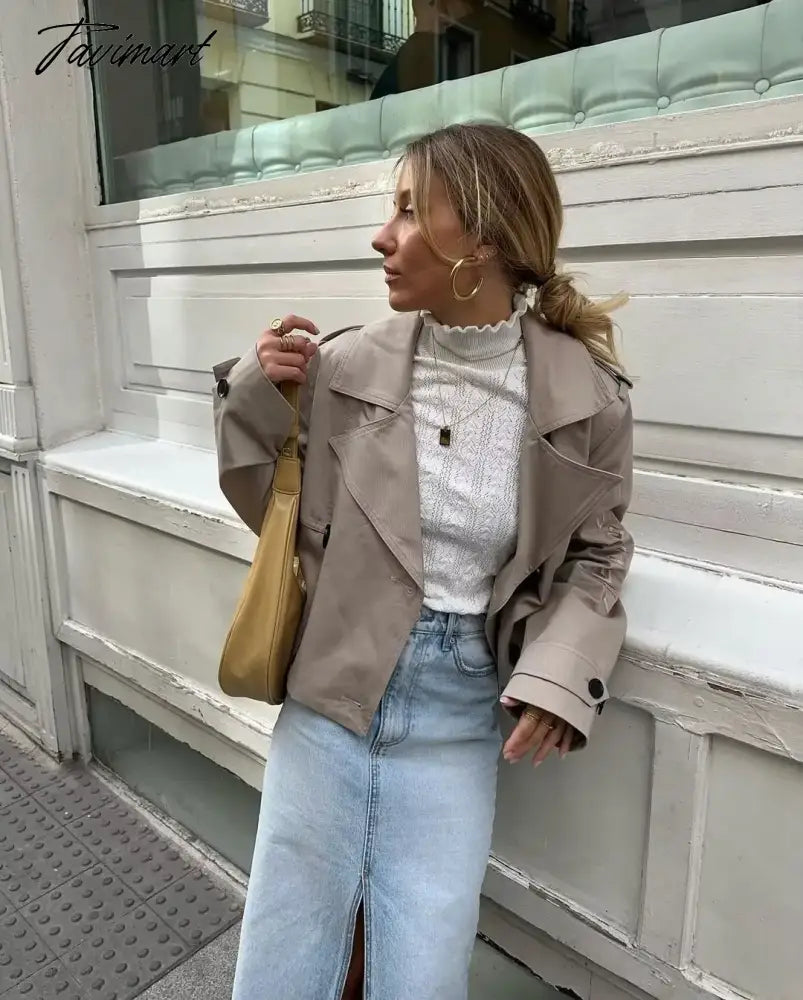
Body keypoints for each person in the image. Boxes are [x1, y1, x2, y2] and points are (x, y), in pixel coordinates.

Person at [212, 122, 634, 1000]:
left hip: (462, 711)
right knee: (282, 960)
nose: (382, 236)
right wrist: (257, 395)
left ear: (481, 238)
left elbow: (598, 553)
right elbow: (272, 514)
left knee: (424, 971)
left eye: (408, 210)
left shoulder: (586, 397)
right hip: (332, 692)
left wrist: (560, 680)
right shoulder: (341, 368)